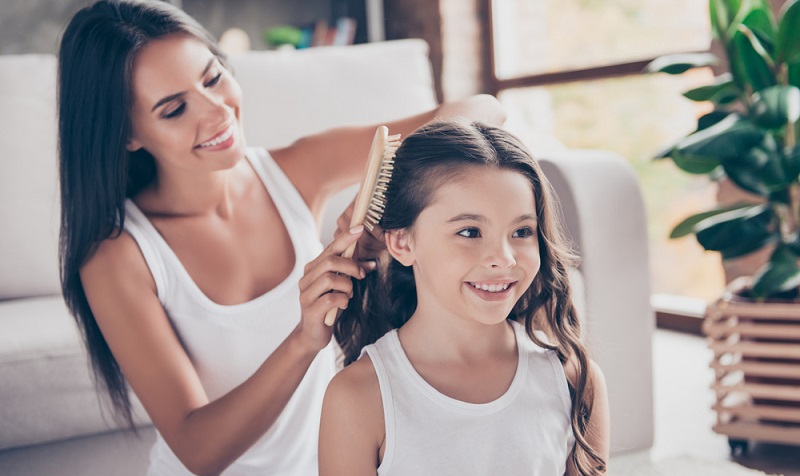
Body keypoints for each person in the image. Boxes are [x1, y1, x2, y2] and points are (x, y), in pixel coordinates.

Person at [57, 1, 505, 475]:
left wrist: (386, 194)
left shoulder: (294, 170)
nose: (215, 113)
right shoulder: (118, 254)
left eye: (212, 79)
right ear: (126, 133)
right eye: (174, 109)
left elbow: (481, 110)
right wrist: (304, 339)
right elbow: (198, 450)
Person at [318, 120, 610, 475]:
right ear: (401, 242)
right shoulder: (358, 398)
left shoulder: (573, 379)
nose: (504, 258)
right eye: (470, 231)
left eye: (521, 231)